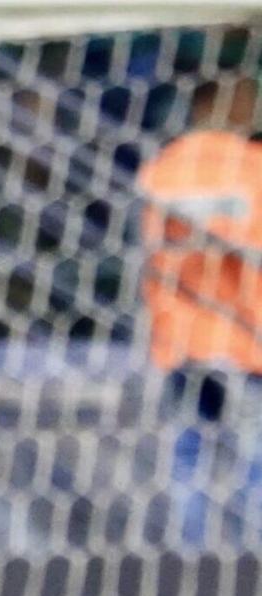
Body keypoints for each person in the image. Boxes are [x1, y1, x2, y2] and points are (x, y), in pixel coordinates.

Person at [136, 75, 262, 544]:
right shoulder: (252, 166)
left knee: (191, 449)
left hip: (183, 336)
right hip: (245, 336)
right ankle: (253, 564)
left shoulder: (165, 168)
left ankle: (193, 562)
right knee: (254, 455)